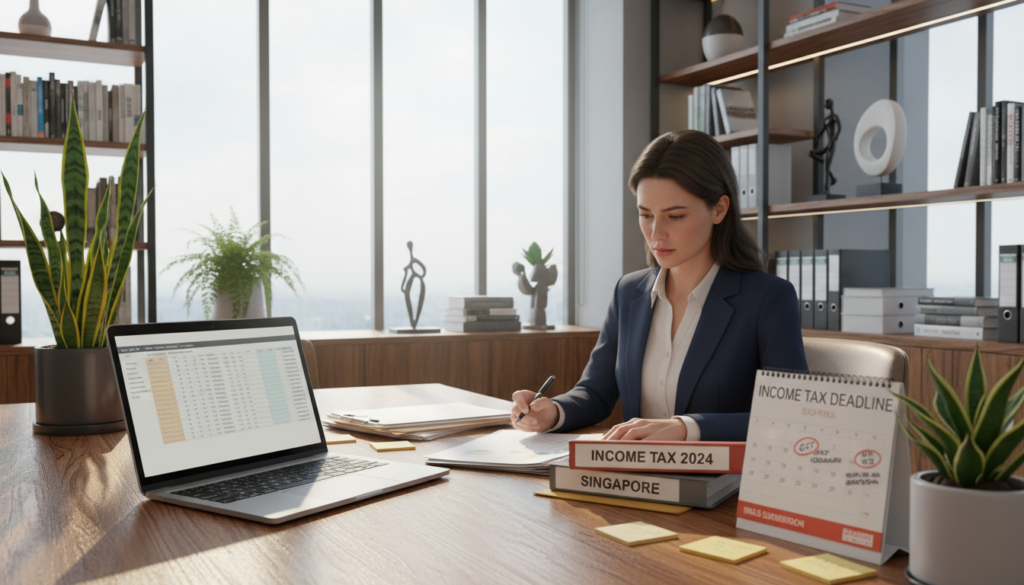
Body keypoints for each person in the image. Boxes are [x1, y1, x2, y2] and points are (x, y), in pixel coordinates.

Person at [510, 130, 807, 442]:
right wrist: (553, 411)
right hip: (636, 479)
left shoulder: (767, 298)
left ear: (719, 209)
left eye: (675, 216)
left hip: (721, 484)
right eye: (645, 215)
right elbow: (595, 393)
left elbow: (791, 416)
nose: (656, 234)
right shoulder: (629, 292)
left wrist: (686, 428)